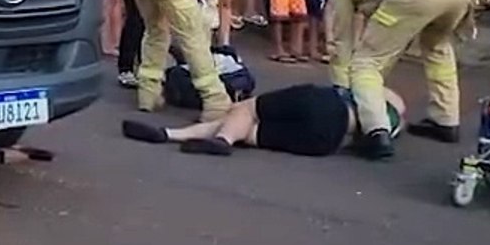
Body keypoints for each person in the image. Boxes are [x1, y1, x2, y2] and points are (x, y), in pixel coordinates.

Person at [326, 0, 476, 159]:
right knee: (438, 48)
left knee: (366, 62)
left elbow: (341, 38)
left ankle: (376, 132)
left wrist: (341, 85)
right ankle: (446, 120)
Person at [122, 84, 406, 158]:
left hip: (327, 103)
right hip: (328, 139)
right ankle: (173, 135)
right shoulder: (394, 127)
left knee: (246, 109)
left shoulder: (385, 94)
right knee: (252, 132)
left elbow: (356, 84)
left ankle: (211, 138)